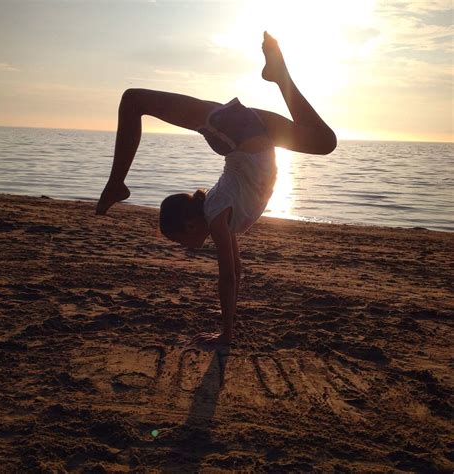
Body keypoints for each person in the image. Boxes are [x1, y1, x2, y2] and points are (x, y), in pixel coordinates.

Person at [96, 32, 336, 346]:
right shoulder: (219, 212)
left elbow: (226, 276)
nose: (184, 247)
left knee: (134, 100)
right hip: (249, 133)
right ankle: (280, 76)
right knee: (324, 141)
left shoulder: (217, 218)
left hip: (236, 132)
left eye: (179, 240)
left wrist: (225, 334)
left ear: (190, 224)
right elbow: (236, 269)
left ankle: (116, 184)